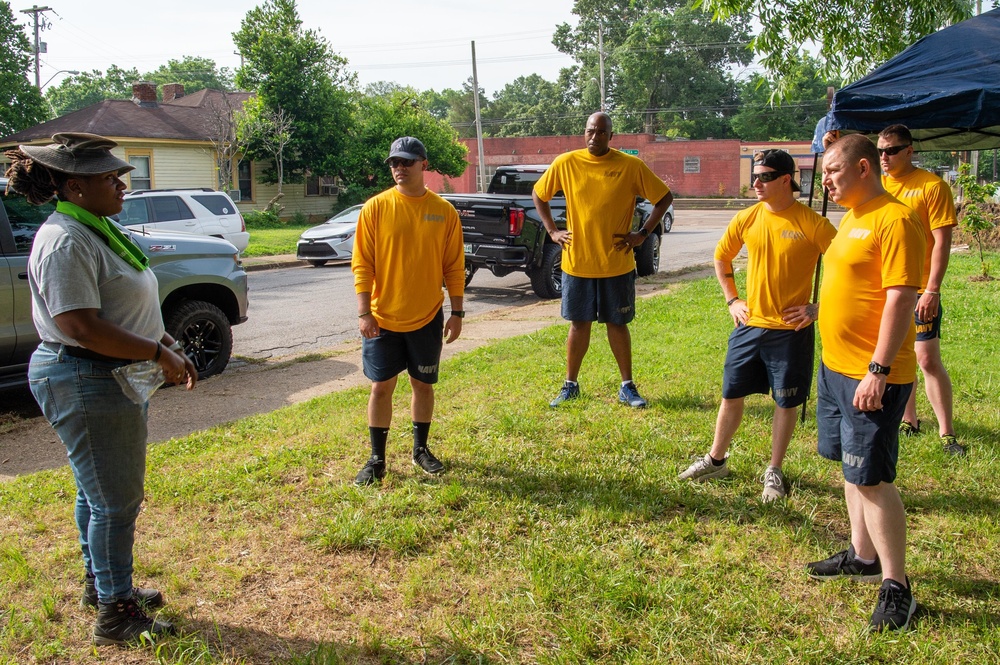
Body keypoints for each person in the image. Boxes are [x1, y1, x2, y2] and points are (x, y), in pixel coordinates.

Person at [4, 133, 197, 646]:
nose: (121, 185)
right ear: (75, 186)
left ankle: (103, 585)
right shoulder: (67, 239)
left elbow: (122, 302)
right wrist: (158, 354)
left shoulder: (96, 229)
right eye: (109, 178)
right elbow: (81, 326)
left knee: (97, 493)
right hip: (83, 375)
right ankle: (115, 613)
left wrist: (165, 339)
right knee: (115, 500)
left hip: (103, 375)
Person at [806, 133, 925, 632]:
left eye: (833, 171)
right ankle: (862, 555)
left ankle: (897, 587)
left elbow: (901, 297)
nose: (826, 180)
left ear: (862, 168)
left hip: (870, 375)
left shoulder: (895, 219)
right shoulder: (853, 218)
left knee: (872, 479)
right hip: (835, 369)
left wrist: (877, 370)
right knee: (850, 470)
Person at [678, 149, 837, 501]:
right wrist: (733, 300)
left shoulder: (812, 223)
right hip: (749, 327)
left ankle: (774, 470)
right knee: (731, 394)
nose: (756, 183)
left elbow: (848, 268)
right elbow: (722, 256)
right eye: (755, 176)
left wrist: (817, 308)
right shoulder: (747, 218)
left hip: (791, 331)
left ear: (785, 180)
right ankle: (716, 459)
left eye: (764, 177)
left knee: (786, 402)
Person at [532, 112, 673, 408]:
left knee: (617, 324)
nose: (594, 137)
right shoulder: (566, 163)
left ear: (611, 136)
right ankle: (570, 385)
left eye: (601, 132)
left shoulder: (630, 166)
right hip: (577, 263)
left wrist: (643, 233)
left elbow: (664, 197)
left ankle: (627, 386)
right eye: (590, 131)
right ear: (584, 133)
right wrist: (553, 231)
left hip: (616, 263)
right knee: (578, 324)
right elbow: (539, 193)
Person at [351, 136, 465, 486]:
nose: (398, 168)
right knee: (380, 386)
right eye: (393, 163)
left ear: (423, 165)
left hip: (427, 315)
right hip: (382, 315)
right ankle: (376, 458)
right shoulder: (375, 208)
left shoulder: (443, 211)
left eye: (406, 162)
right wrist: (363, 312)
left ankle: (420, 450)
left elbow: (454, 267)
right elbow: (362, 264)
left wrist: (457, 311)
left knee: (422, 384)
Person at [876, 124, 963, 455]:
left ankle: (947, 433)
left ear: (909, 151)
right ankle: (908, 420)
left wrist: (932, 289)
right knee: (897, 353)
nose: (884, 157)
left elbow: (942, 241)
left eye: (892, 150)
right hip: (885, 288)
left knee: (926, 357)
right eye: (880, 151)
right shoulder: (877, 186)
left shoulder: (931, 186)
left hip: (918, 288)